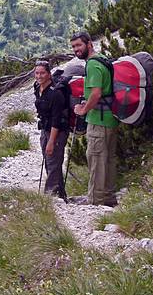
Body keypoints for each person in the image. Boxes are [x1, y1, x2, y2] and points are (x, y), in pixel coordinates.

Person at [71, 32, 118, 206]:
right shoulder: (103, 60)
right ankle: (109, 198)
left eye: (79, 45)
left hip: (98, 120)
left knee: (96, 159)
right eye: (74, 46)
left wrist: (83, 109)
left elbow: (96, 93)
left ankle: (95, 201)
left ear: (89, 44)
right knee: (109, 160)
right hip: (111, 117)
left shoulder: (92, 65)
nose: (76, 49)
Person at [33, 60, 70, 201]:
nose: (39, 76)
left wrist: (51, 141)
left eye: (42, 73)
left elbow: (57, 120)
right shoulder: (38, 88)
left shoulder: (56, 94)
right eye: (37, 73)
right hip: (45, 129)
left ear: (49, 74)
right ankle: (61, 195)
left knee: (53, 163)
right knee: (50, 162)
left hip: (57, 132)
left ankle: (48, 198)